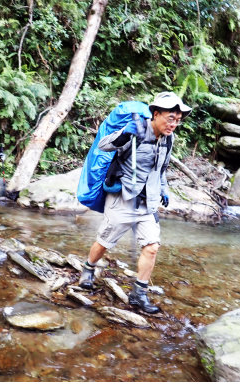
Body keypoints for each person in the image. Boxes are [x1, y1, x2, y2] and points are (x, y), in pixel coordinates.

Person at [78, 91, 192, 314]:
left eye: (178, 120)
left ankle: (139, 294)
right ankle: (88, 268)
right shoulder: (136, 131)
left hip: (147, 202)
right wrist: (123, 135)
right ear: (156, 114)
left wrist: (164, 189)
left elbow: (161, 169)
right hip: (123, 198)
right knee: (105, 241)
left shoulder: (168, 139)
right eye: (170, 118)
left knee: (152, 247)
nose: (174, 124)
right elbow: (103, 146)